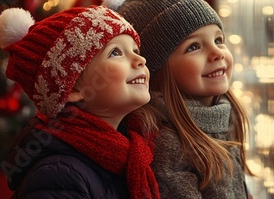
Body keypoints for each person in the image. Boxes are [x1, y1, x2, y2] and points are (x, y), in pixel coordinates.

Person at [0, 5, 160, 199]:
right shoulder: (59, 175)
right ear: (72, 89)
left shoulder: (133, 153)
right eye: (116, 52)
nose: (140, 59)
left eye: (135, 50)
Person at [105, 0, 252, 198]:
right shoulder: (167, 145)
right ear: (156, 70)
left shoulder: (225, 116)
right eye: (193, 47)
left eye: (218, 40)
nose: (217, 53)